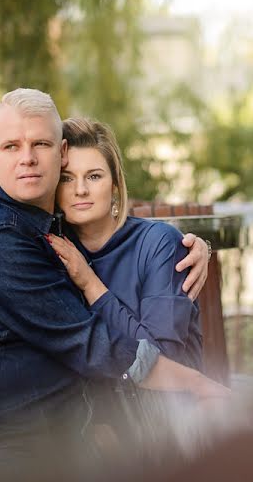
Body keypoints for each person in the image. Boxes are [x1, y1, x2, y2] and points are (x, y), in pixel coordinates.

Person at [0, 89, 228, 482]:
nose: (27, 158)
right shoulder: (3, 240)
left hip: (58, 440)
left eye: (40, 144)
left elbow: (131, 245)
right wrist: (199, 385)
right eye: (10, 146)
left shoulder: (49, 229)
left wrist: (201, 246)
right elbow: (92, 345)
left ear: (60, 151)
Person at [48, 117, 202, 370]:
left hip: (175, 407)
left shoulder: (159, 244)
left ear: (116, 183)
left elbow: (165, 363)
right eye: (66, 178)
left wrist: (90, 284)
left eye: (94, 176)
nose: (80, 189)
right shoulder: (54, 247)